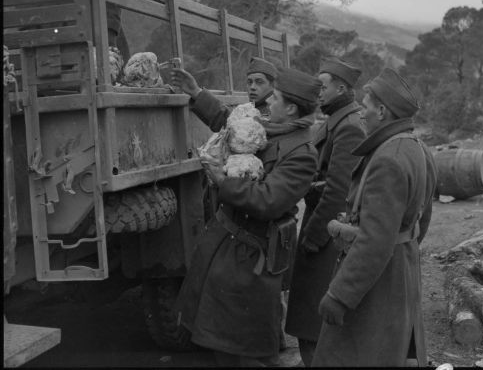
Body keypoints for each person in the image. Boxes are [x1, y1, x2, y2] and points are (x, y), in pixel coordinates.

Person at [172, 66, 321, 366]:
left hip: (251, 256)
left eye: (275, 98)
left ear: (290, 108)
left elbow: (269, 200)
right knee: (220, 340)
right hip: (229, 247)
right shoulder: (272, 127)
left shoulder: (302, 153)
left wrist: (222, 180)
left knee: (240, 347)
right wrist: (197, 93)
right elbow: (230, 123)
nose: (268, 103)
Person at [312, 68, 437, 367]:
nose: (362, 113)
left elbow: (375, 239)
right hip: (399, 269)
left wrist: (340, 295)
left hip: (378, 284)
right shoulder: (417, 147)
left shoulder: (389, 158)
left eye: (366, 106)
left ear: (382, 110)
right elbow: (424, 220)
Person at [285, 57, 365, 366]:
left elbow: (338, 192)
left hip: (328, 235)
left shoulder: (348, 127)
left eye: (323, 86)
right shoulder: (337, 119)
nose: (318, 92)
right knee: (311, 321)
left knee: (315, 322)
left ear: (341, 88)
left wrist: (313, 238)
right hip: (323, 227)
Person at [180, 56, 277, 130]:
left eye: (259, 82)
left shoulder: (276, 112)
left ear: (272, 85)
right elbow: (230, 122)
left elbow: (233, 125)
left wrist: (197, 92)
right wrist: (196, 92)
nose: (252, 87)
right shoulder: (253, 108)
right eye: (249, 82)